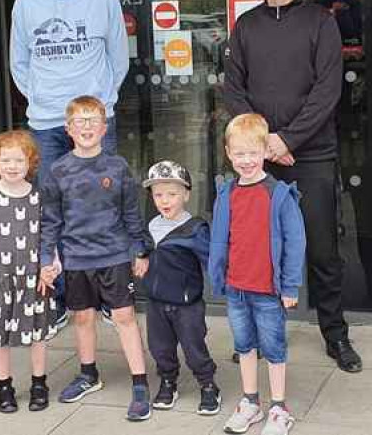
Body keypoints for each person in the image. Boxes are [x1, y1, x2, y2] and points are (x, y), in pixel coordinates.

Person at [223, 0, 362, 373]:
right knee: (260, 250)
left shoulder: (320, 21)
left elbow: (327, 90)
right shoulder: (246, 26)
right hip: (259, 161)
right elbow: (233, 88)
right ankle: (262, 336)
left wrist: (287, 141)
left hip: (313, 154)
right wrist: (263, 143)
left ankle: (335, 335)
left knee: (323, 249)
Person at [9, 0, 130, 328]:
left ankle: (111, 296)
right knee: (53, 210)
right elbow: (19, 62)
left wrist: (102, 104)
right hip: (46, 124)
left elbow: (118, 58)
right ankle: (63, 297)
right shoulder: (26, 1)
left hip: (96, 122)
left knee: (103, 206)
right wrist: (41, 98)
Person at [38, 95, 152, 421]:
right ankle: (88, 374)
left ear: (104, 128)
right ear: (68, 129)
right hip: (76, 259)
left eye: (93, 121)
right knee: (83, 318)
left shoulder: (118, 167)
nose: (86, 126)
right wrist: (48, 257)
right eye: (79, 121)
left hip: (114, 255)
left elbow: (131, 213)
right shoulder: (58, 170)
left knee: (125, 318)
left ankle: (140, 383)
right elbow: (51, 220)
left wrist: (139, 250)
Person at [209, 113, 306, 435]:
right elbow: (220, 238)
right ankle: (251, 402)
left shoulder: (279, 194)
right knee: (244, 346)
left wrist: (290, 287)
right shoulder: (226, 192)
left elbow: (295, 243)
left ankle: (279, 407)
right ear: (228, 153)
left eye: (253, 153)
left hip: (267, 290)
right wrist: (217, 276)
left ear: (266, 151)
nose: (246, 161)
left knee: (275, 348)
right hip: (236, 287)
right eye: (239, 154)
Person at [0, 131, 58, 413]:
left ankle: (39, 383)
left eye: (19, 160)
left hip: (34, 277)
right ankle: (4, 385)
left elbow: (48, 236)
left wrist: (51, 267)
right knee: (0, 333)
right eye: (5, 160)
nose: (12, 166)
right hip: (0, 278)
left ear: (30, 163)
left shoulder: (39, 198)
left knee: (37, 332)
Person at [139, 160, 221, 416]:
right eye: (158, 194)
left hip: (188, 305)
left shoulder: (195, 229)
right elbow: (142, 250)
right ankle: (168, 381)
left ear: (186, 194)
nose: (165, 200)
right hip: (156, 302)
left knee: (194, 348)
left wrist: (226, 284)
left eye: (172, 194)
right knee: (160, 348)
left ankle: (208, 385)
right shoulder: (151, 226)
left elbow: (212, 260)